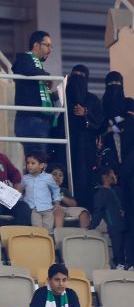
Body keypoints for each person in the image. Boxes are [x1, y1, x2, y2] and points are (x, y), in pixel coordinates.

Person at [12, 31, 60, 155]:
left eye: (51, 46)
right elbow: (27, 70)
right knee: (37, 161)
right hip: (31, 120)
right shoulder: (24, 59)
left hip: (37, 120)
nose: (50, 49)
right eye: (47, 45)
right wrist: (47, 76)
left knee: (38, 161)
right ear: (36, 45)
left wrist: (54, 95)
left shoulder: (37, 66)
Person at [63, 68, 103, 209]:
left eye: (82, 76)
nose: (77, 79)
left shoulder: (92, 99)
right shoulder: (63, 97)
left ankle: (85, 214)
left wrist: (86, 113)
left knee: (84, 180)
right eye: (75, 75)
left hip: (85, 150)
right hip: (64, 147)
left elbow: (99, 123)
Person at [90, 166, 126, 269]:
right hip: (115, 227)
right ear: (105, 177)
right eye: (113, 174)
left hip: (126, 225)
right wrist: (90, 227)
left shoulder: (119, 190)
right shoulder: (100, 194)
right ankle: (120, 266)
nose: (115, 176)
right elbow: (98, 213)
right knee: (118, 252)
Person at [21, 151, 62, 232]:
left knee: (48, 230)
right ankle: (39, 244)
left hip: (47, 209)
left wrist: (56, 202)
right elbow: (20, 192)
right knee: (37, 230)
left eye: (33, 163)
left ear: (41, 165)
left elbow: (56, 189)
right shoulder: (24, 178)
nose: (29, 165)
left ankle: (48, 244)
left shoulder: (48, 177)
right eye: (28, 163)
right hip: (33, 209)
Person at [101, 71, 133, 162]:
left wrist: (113, 127)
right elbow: (101, 127)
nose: (114, 86)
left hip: (128, 144)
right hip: (109, 146)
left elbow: (130, 121)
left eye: (117, 83)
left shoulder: (129, 102)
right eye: (111, 83)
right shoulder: (102, 105)